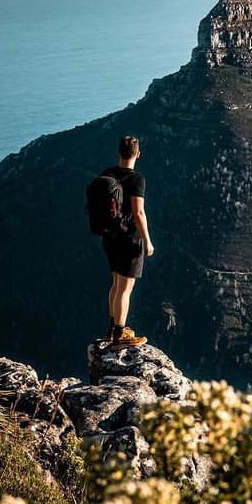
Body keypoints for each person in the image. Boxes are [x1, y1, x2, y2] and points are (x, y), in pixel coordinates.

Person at [102, 135, 154, 348]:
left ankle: (113, 327)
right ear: (138, 154)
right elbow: (139, 212)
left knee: (116, 283)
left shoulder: (107, 174)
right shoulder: (136, 179)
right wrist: (147, 241)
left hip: (110, 237)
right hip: (129, 239)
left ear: (118, 152)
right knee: (126, 288)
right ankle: (119, 336)